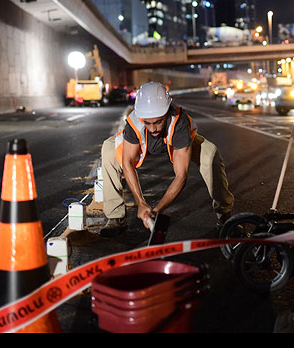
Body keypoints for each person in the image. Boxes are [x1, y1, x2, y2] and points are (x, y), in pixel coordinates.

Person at [98, 81, 235, 237]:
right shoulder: (134, 122)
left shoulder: (180, 122)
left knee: (210, 154)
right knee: (108, 149)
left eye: (158, 122)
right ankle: (116, 217)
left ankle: (224, 215)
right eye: (147, 123)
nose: (153, 129)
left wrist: (157, 210)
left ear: (167, 112)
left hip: (175, 143)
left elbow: (181, 175)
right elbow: (127, 163)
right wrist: (141, 203)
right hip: (141, 144)